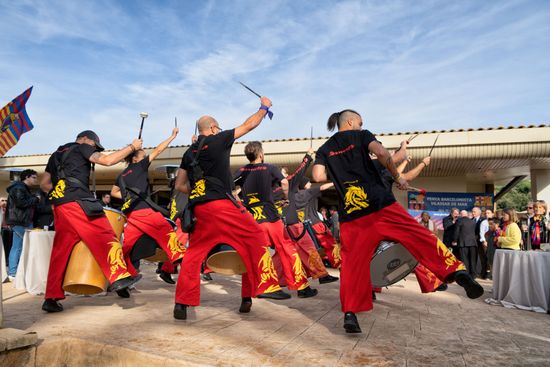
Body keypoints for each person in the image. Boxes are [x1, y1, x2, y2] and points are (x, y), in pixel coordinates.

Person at [312, 109, 482, 333]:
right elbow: (382, 153)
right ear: (351, 121)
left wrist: (338, 173)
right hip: (381, 207)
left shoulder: (325, 149)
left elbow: (316, 176)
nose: (362, 126)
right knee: (420, 237)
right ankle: (457, 273)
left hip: (353, 217)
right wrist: (398, 176)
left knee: (353, 265)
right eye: (360, 122)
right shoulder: (362, 136)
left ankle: (350, 314)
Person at [173, 96, 290, 320]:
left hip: (199, 209)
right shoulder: (218, 139)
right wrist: (264, 107)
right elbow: (249, 125)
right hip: (222, 205)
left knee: (194, 254)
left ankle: (182, 303)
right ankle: (260, 288)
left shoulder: (189, 153)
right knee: (254, 236)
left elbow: (179, 185)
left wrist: (202, 191)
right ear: (214, 128)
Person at [40, 130, 143, 312]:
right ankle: (119, 277)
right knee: (104, 234)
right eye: (94, 144)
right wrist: (132, 147)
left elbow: (44, 185)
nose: (93, 148)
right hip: (78, 201)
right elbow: (108, 161)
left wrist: (61, 195)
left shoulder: (56, 155)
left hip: (60, 206)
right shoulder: (83, 148)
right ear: (86, 139)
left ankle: (51, 297)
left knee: (60, 251)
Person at [234, 141, 318, 297]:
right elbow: (285, 182)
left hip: (253, 220)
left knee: (257, 253)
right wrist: (286, 197)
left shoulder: (241, 170)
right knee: (286, 249)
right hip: (271, 217)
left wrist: (240, 204)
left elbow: (230, 188)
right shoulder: (269, 168)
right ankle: (301, 287)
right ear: (260, 154)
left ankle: (253, 294)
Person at [110, 127, 185, 296]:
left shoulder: (121, 175)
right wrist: (172, 136)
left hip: (131, 216)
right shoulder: (140, 166)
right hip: (144, 212)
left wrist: (129, 198)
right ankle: (180, 258)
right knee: (166, 231)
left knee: (126, 249)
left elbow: (113, 192)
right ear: (136, 158)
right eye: (143, 155)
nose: (145, 157)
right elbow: (159, 149)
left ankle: (123, 278)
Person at [6, 169, 39, 279]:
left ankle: (16, 272)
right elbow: (21, 203)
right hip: (19, 221)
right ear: (27, 177)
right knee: (19, 247)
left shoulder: (23, 188)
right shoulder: (18, 188)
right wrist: (35, 199)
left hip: (23, 221)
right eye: (34, 177)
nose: (36, 180)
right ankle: (13, 273)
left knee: (20, 247)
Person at [453, 210, 478, 277]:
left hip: (463, 243)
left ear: (461, 215)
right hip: (473, 243)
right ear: (466, 215)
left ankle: (466, 274)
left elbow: (456, 232)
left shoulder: (459, 221)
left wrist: (454, 240)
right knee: (472, 259)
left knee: (464, 259)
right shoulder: (472, 222)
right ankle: (473, 274)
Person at [472, 207, 488, 279]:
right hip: (474, 241)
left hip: (482, 241)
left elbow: (483, 232)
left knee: (482, 258)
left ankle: (483, 274)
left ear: (479, 212)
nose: (473, 213)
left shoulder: (483, 220)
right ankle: (475, 273)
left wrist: (484, 241)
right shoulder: (472, 220)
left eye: (474, 212)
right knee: (475, 257)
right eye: (472, 212)